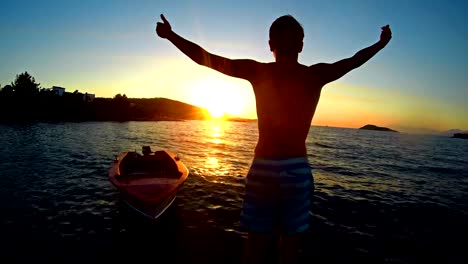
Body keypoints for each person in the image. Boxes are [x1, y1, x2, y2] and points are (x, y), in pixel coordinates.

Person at [156, 14, 391, 264]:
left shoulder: (258, 71)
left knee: (255, 244)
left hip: (263, 168)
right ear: (301, 45)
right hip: (297, 170)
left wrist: (171, 35)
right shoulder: (315, 75)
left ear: (270, 45)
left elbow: (207, 59)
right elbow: (354, 61)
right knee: (290, 247)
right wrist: (381, 43)